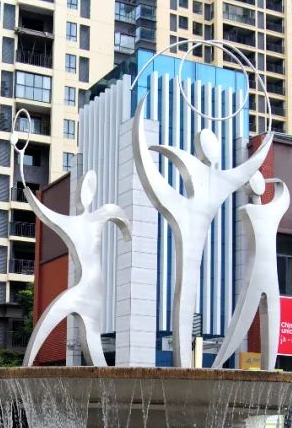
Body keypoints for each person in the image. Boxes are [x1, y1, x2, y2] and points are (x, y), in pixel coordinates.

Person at [133, 98, 273, 367]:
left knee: (185, 289)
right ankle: (185, 365)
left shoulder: (215, 174)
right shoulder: (216, 174)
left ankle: (185, 366)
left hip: (188, 229)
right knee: (185, 289)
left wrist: (145, 142)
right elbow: (254, 162)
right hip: (186, 225)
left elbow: (253, 163)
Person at [21, 171, 131, 367]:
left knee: (92, 342)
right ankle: (26, 367)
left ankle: (26, 367)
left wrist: (127, 234)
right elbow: (44, 212)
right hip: (84, 288)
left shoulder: (100, 214)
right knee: (48, 321)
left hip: (93, 291)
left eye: (87, 189)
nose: (84, 195)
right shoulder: (75, 222)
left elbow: (119, 215)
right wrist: (27, 191)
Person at [211, 172, 289, 371]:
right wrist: (274, 181)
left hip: (258, 274)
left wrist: (267, 181)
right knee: (250, 322)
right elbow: (284, 193)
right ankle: (264, 371)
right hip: (269, 275)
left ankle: (216, 366)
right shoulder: (274, 209)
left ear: (248, 188)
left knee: (240, 324)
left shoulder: (249, 210)